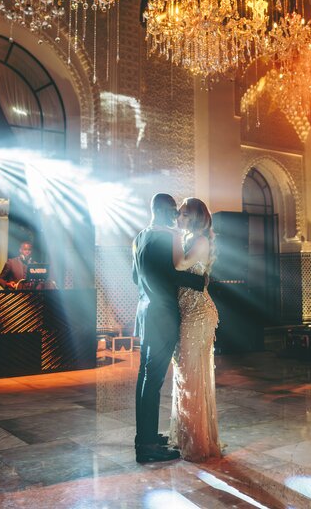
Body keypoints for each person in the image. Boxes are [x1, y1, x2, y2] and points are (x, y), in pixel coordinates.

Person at [132, 193, 207, 463]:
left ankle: (145, 436)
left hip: (145, 312)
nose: (177, 216)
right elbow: (174, 273)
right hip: (162, 316)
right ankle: (148, 446)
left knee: (145, 378)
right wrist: (203, 281)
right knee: (152, 381)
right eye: (174, 211)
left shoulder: (140, 236)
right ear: (164, 211)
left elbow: (134, 277)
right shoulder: (166, 236)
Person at [169, 197, 222, 462]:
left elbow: (179, 265)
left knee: (191, 377)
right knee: (186, 375)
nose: (180, 217)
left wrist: (175, 234)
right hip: (189, 313)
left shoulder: (198, 240)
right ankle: (187, 435)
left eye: (185, 214)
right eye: (179, 213)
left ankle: (196, 442)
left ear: (198, 217)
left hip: (199, 315)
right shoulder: (191, 238)